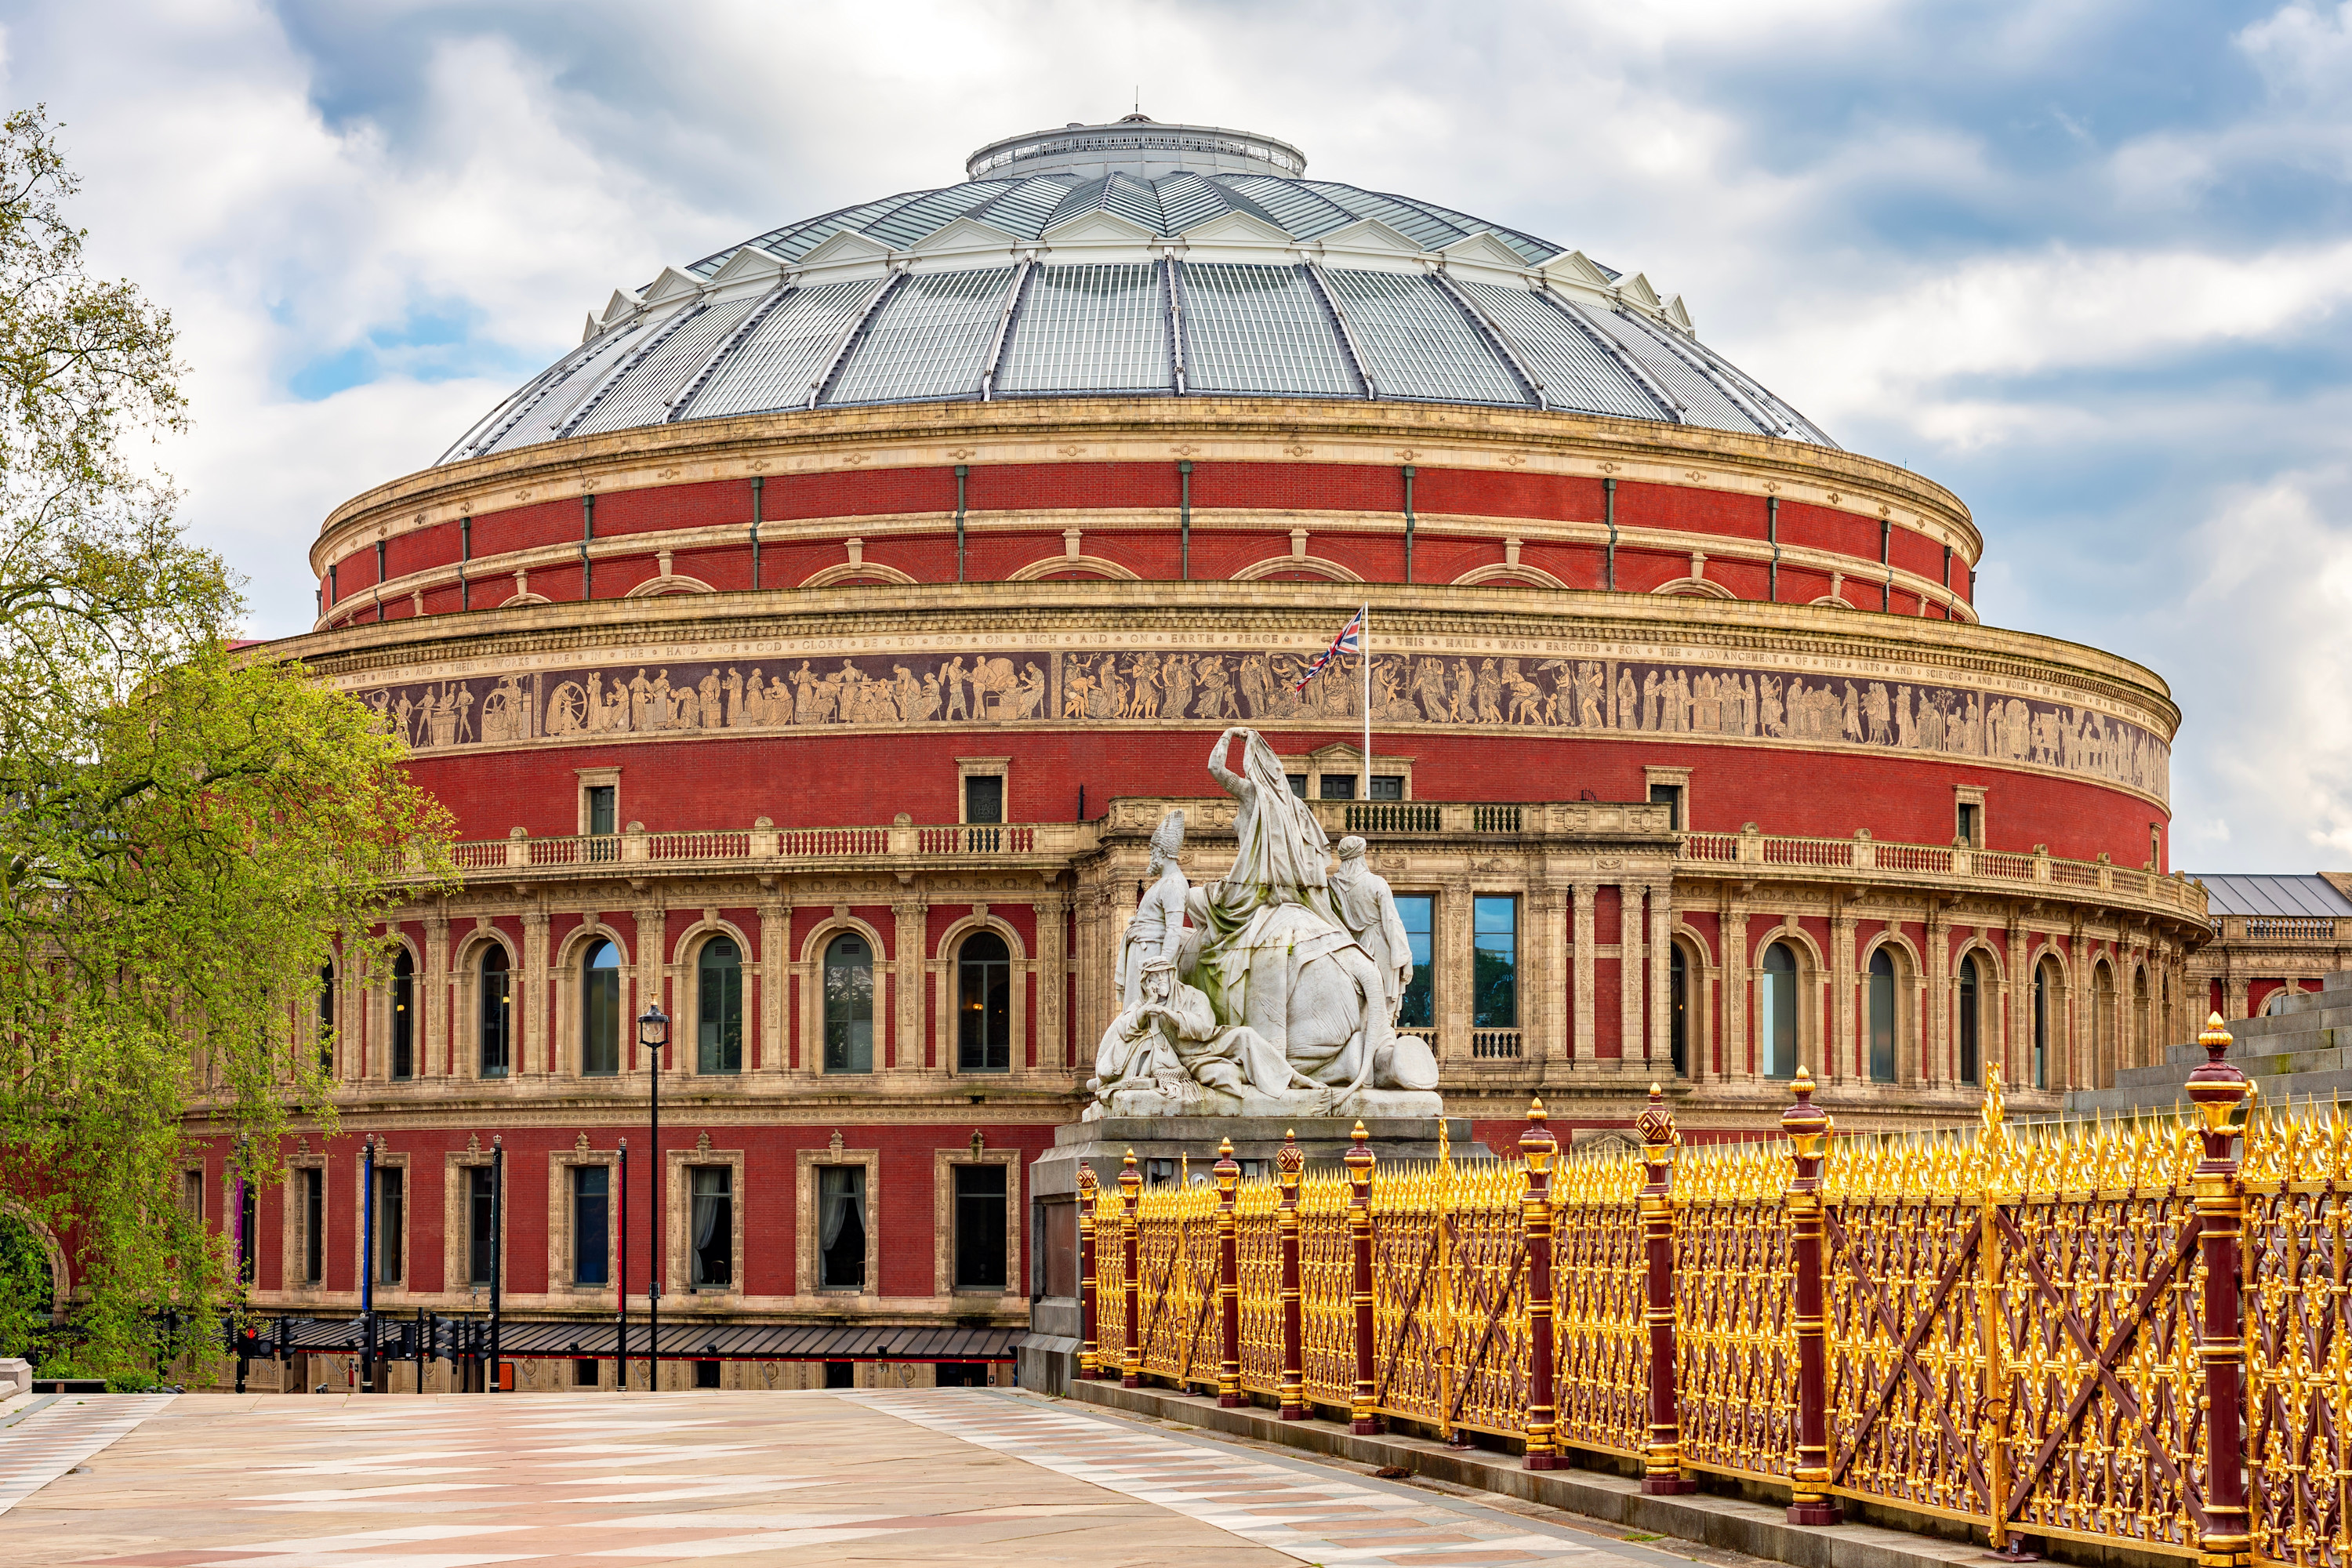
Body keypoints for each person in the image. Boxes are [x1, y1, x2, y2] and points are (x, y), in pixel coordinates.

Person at [1328, 837, 1412, 1022]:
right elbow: (1391, 921)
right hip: (1380, 945)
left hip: (1354, 948)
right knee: (1383, 1008)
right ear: (1361, 856)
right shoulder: (1376, 883)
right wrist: (1405, 958)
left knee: (1362, 1009)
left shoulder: (1333, 887)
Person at [1116, 811, 1188, 1015]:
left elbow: (1174, 930)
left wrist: (1160, 970)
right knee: (1133, 1011)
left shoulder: (1173, 884)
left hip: (1151, 956)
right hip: (1144, 953)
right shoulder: (1163, 883)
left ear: (1163, 853)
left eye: (1153, 851)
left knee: (1141, 1013)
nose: (1151, 856)